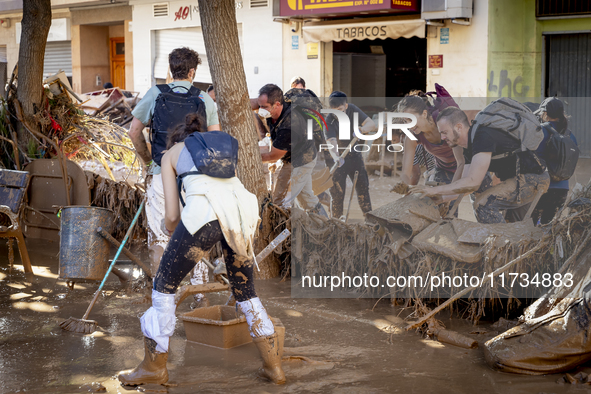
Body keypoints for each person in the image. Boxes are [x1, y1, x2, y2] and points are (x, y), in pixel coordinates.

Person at [118, 114, 286, 386]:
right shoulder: (219, 150)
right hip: (242, 214)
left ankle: (154, 367)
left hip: (205, 217)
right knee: (246, 292)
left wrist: (171, 227)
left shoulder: (170, 154)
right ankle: (273, 367)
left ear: (175, 140)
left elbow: (172, 216)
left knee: (163, 288)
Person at [128, 47, 219, 276]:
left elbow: (133, 132)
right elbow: (214, 140)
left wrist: (149, 161)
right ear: (192, 72)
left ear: (171, 69)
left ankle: (162, 296)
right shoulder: (204, 98)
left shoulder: (155, 94)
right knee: (195, 234)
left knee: (160, 237)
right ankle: (199, 297)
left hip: (160, 172)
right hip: (195, 177)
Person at [413, 106, 550, 223]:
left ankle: (499, 247)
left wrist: (435, 190)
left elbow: (473, 182)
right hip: (516, 180)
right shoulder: (469, 147)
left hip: (533, 179)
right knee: (496, 212)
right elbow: (466, 187)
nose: (442, 138)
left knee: (483, 204)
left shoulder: (482, 136)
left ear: (459, 127)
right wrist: (442, 199)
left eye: (444, 132)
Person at [257, 83, 325, 215]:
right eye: (259, 105)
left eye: (264, 107)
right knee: (307, 199)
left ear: (277, 104)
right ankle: (326, 226)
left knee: (280, 202)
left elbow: (272, 156)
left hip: (300, 161)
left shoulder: (289, 126)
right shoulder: (278, 106)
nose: (260, 109)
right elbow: (253, 102)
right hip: (302, 153)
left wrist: (247, 159)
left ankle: (284, 234)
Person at [397, 94, 465, 187]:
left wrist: (451, 191)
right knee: (436, 200)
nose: (409, 125)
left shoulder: (444, 121)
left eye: (411, 119)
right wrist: (403, 185)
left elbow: (462, 162)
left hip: (468, 165)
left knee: (484, 200)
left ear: (424, 114)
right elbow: (406, 173)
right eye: (405, 121)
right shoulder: (411, 136)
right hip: (444, 170)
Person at [325, 91, 374, 218]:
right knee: (337, 194)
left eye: (340, 110)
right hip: (336, 158)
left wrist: (361, 130)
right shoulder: (329, 119)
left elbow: (372, 124)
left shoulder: (353, 110)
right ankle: (336, 224)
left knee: (363, 189)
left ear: (345, 106)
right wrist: (336, 157)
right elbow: (331, 142)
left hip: (354, 156)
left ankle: (370, 222)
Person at [531, 97, 578, 225]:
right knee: (549, 229)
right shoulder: (569, 135)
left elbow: (531, 157)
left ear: (545, 114)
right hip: (562, 190)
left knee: (533, 229)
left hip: (542, 189)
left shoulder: (540, 131)